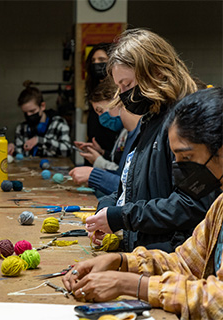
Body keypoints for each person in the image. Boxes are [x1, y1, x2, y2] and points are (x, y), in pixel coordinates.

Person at [62, 87, 223, 319]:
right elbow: (186, 263)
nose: (179, 169)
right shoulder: (219, 205)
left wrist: (132, 285)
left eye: (187, 158)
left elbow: (218, 300)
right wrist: (120, 262)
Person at [85, 28, 219, 252]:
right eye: (119, 87)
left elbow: (192, 204)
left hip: (175, 258)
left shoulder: (185, 122)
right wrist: (107, 208)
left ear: (155, 72)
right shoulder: (150, 119)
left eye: (127, 85)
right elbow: (131, 188)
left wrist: (122, 217)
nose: (123, 95)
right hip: (147, 255)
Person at [70, 79, 141, 196]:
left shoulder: (141, 135)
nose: (101, 117)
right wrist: (102, 153)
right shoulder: (126, 134)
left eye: (101, 110)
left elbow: (130, 190)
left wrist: (93, 174)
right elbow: (121, 174)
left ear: (117, 100)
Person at [8, 85, 71, 157]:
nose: (29, 115)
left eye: (32, 111)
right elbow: (19, 155)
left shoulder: (59, 124)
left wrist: (40, 141)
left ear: (42, 106)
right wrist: (12, 148)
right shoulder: (21, 128)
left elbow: (67, 150)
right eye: (25, 113)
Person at [85, 43, 119, 156]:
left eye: (101, 59)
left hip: (112, 154)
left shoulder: (120, 90)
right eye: (93, 61)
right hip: (96, 151)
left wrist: (105, 154)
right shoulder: (92, 89)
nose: (96, 64)